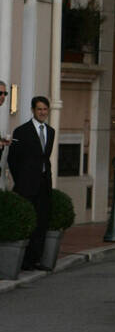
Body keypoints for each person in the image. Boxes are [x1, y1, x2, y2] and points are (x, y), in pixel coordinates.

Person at [8, 96, 54, 270]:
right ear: (33, 110)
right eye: (39, 109)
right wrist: (21, 180)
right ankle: (25, 261)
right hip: (26, 185)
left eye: (45, 109)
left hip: (44, 184)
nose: (42, 112)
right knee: (29, 223)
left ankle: (37, 259)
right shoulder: (22, 131)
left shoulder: (51, 131)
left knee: (42, 222)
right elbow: (13, 159)